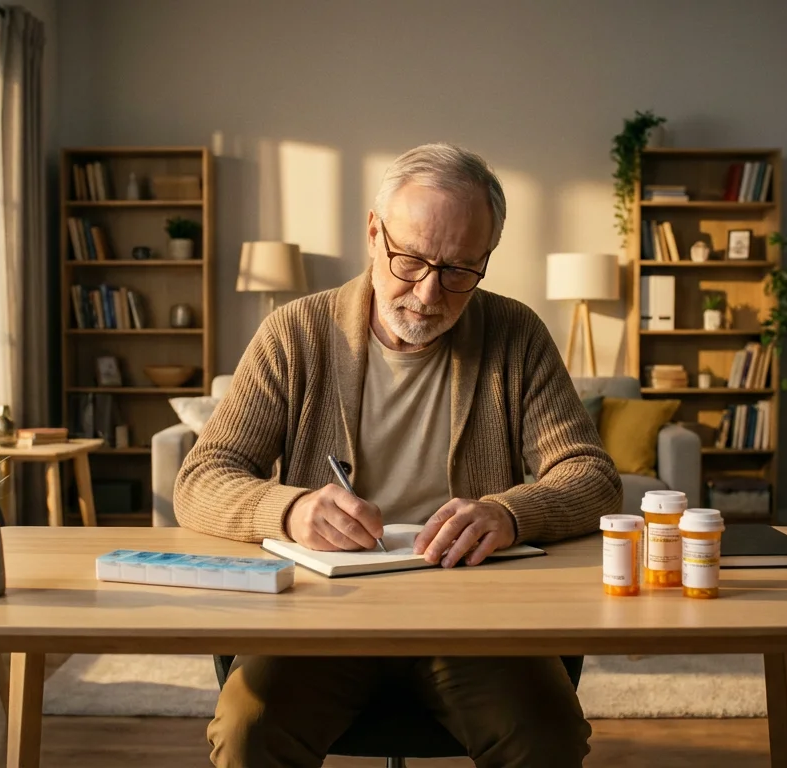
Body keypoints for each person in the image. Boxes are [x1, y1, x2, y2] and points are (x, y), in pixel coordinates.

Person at [174, 142, 623, 768]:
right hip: (320, 616)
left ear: (486, 258)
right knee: (250, 732)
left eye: (460, 270)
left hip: (474, 614)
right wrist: (294, 510)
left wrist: (509, 513)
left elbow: (592, 477)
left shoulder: (515, 335)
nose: (430, 293)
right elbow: (200, 478)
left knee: (544, 735)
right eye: (409, 260)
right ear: (372, 231)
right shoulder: (294, 333)